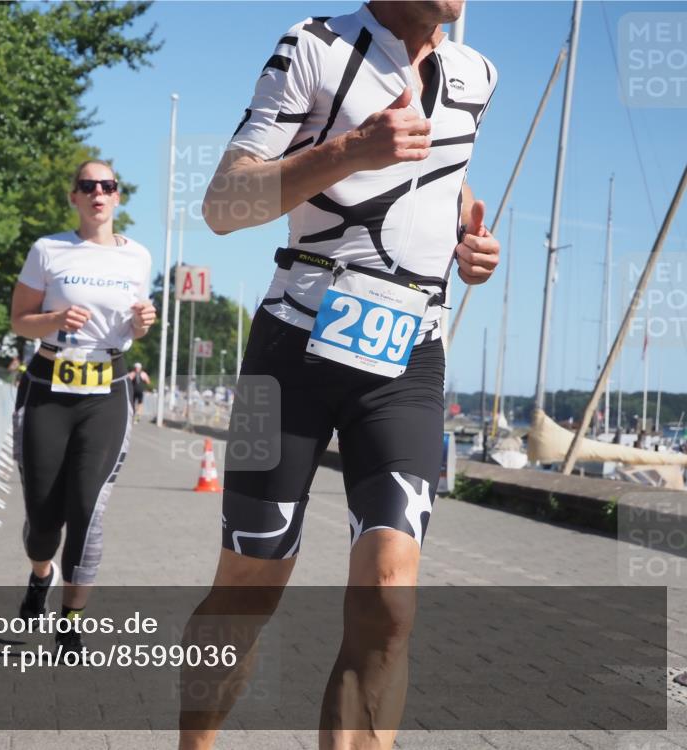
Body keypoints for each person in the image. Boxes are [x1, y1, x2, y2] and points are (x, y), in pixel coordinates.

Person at [180, 2, 500, 748]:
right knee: (249, 584)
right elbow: (223, 205)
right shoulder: (314, 47)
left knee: (390, 594)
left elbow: (446, 180)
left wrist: (470, 245)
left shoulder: (477, 74)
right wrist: (352, 148)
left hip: (406, 357)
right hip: (291, 350)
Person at [9, 159, 156, 656]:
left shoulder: (137, 257)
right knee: (44, 519)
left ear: (117, 197)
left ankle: (71, 621)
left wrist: (142, 323)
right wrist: (53, 316)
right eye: (87, 185)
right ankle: (40, 573)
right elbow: (19, 322)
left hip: (107, 391)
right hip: (48, 386)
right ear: (73, 196)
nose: (98, 192)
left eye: (108, 185)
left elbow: (132, 330)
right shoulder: (49, 250)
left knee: (87, 511)